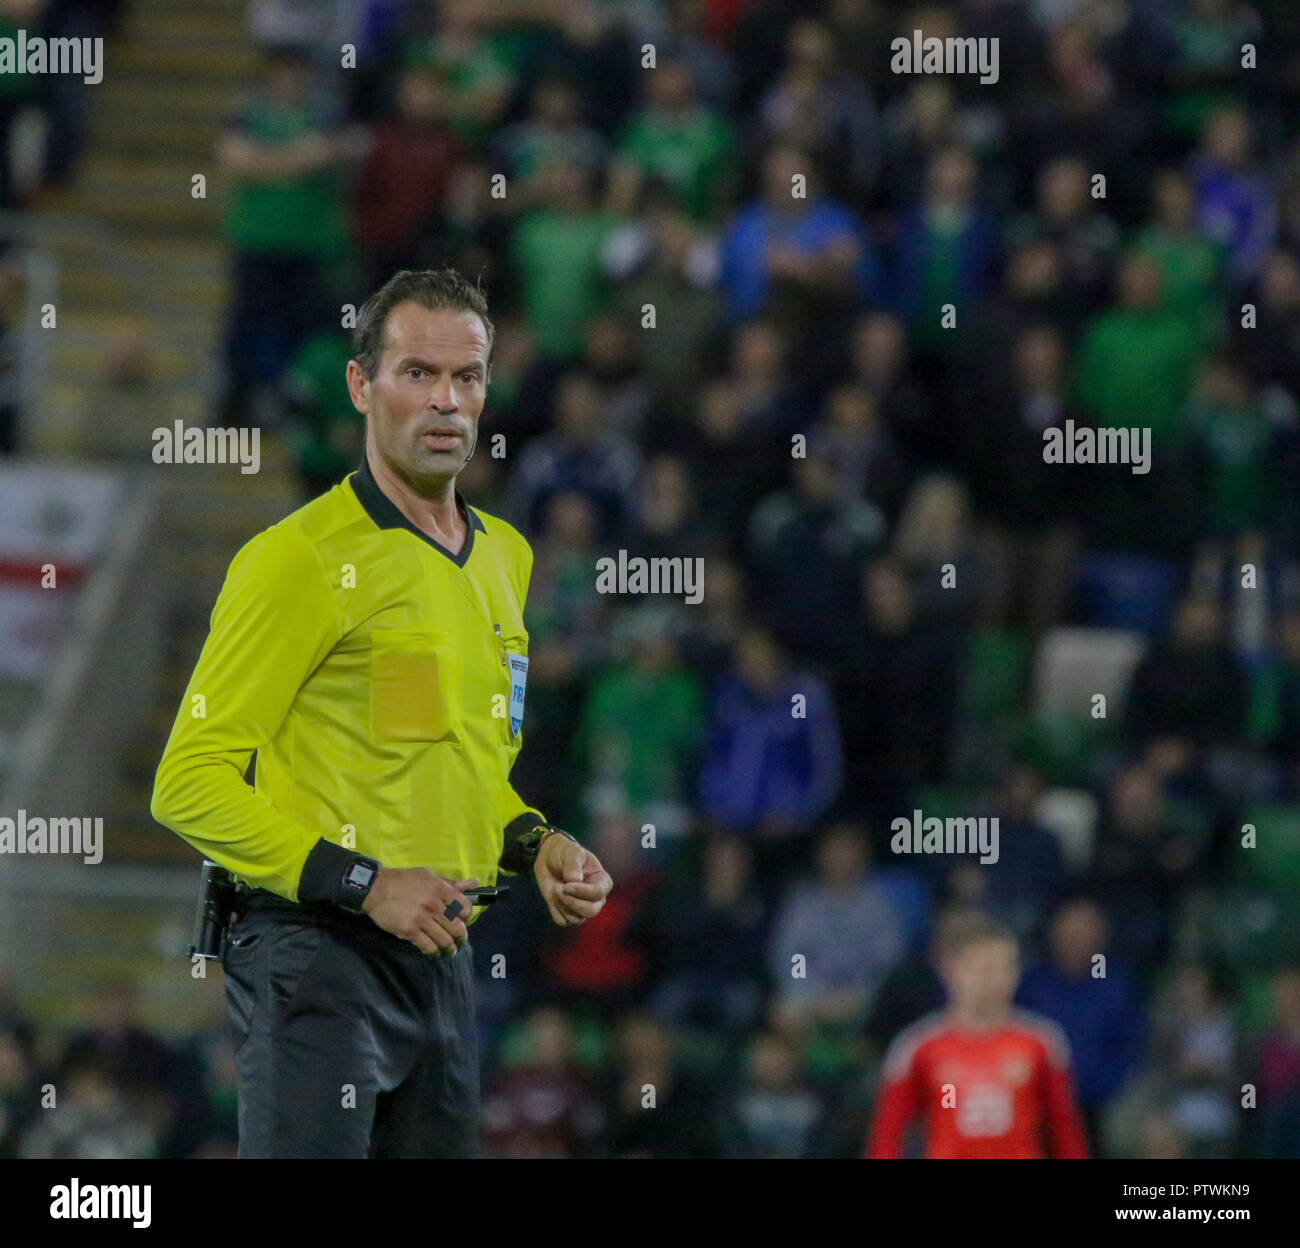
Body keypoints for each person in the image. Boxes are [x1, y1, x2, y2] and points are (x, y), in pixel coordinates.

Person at [151, 267, 613, 1159]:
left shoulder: (505, 558)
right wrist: (369, 883)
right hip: (315, 956)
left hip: (440, 952)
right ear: (362, 386)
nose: (445, 402)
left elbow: (463, 765)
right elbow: (188, 784)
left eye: (466, 377)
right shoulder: (296, 560)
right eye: (416, 373)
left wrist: (534, 842)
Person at [865, 916, 1088, 1159]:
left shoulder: (1041, 1042)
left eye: (1006, 968)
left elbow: (1065, 1134)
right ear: (951, 970)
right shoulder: (919, 1047)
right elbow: (887, 1139)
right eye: (985, 969)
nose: (997, 981)